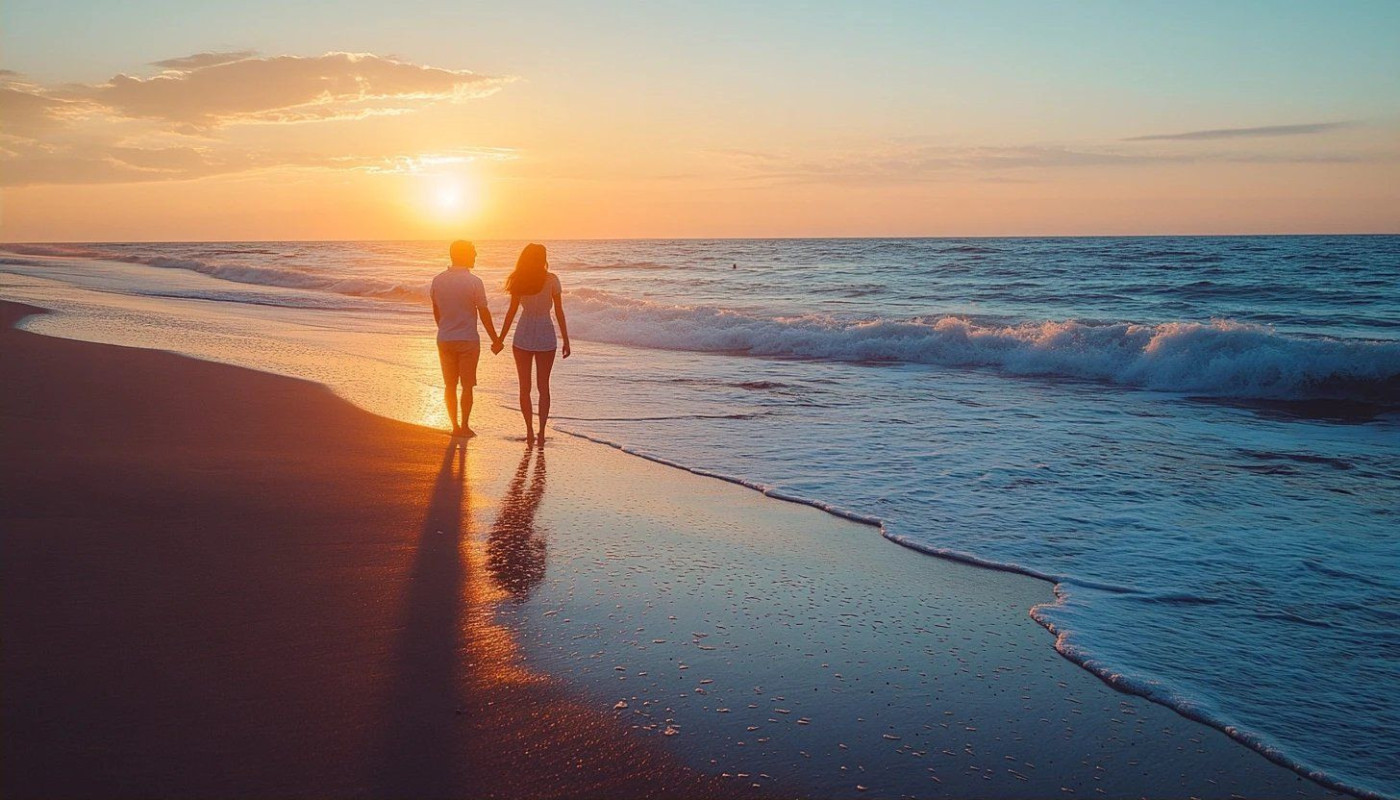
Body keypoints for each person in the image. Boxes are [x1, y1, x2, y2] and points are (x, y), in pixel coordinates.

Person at [495, 243, 570, 446]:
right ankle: (541, 432)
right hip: (546, 336)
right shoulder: (552, 280)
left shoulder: (519, 279)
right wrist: (566, 339)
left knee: (524, 387)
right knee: (543, 387)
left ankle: (529, 431)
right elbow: (559, 311)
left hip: (523, 336)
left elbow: (512, 312)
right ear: (543, 258)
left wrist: (500, 339)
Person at [430, 240, 500, 438]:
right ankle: (465, 426)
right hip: (468, 340)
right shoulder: (474, 282)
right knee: (467, 386)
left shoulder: (438, 280)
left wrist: (445, 329)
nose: (476, 255)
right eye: (473, 252)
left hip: (445, 338)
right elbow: (484, 312)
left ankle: (454, 426)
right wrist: (495, 339)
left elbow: (437, 310)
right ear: (464, 255)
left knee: (450, 385)